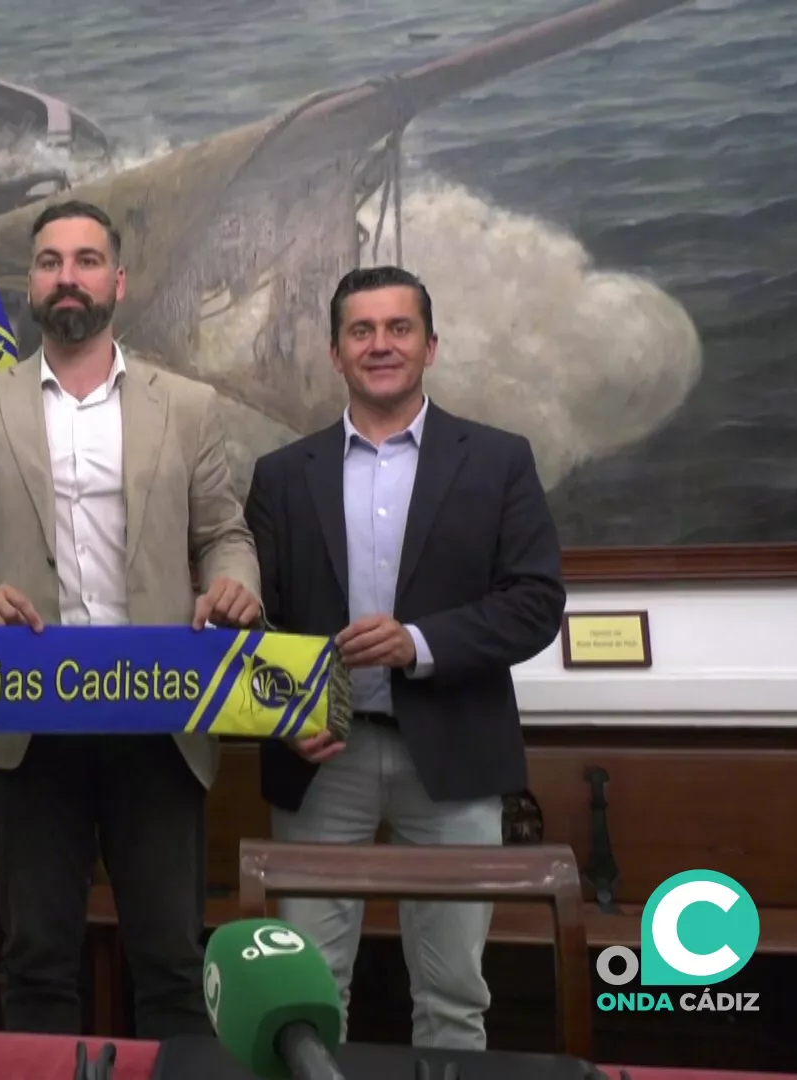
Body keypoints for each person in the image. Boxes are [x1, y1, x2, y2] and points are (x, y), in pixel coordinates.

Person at [0, 199, 261, 1038]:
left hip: (159, 720)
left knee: (174, 966)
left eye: (86, 260)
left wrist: (233, 586)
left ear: (118, 281)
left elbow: (224, 535)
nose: (68, 276)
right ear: (30, 283)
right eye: (50, 262)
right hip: (26, 724)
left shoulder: (185, 405)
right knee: (36, 961)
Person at [243, 265, 566, 1048]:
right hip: (321, 757)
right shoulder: (282, 476)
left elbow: (535, 602)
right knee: (306, 995)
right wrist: (285, 716)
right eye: (362, 331)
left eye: (398, 329)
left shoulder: (498, 461)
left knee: (455, 993)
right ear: (334, 352)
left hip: (454, 760)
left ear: (430, 345)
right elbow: (251, 626)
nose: (380, 345)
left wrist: (419, 644)